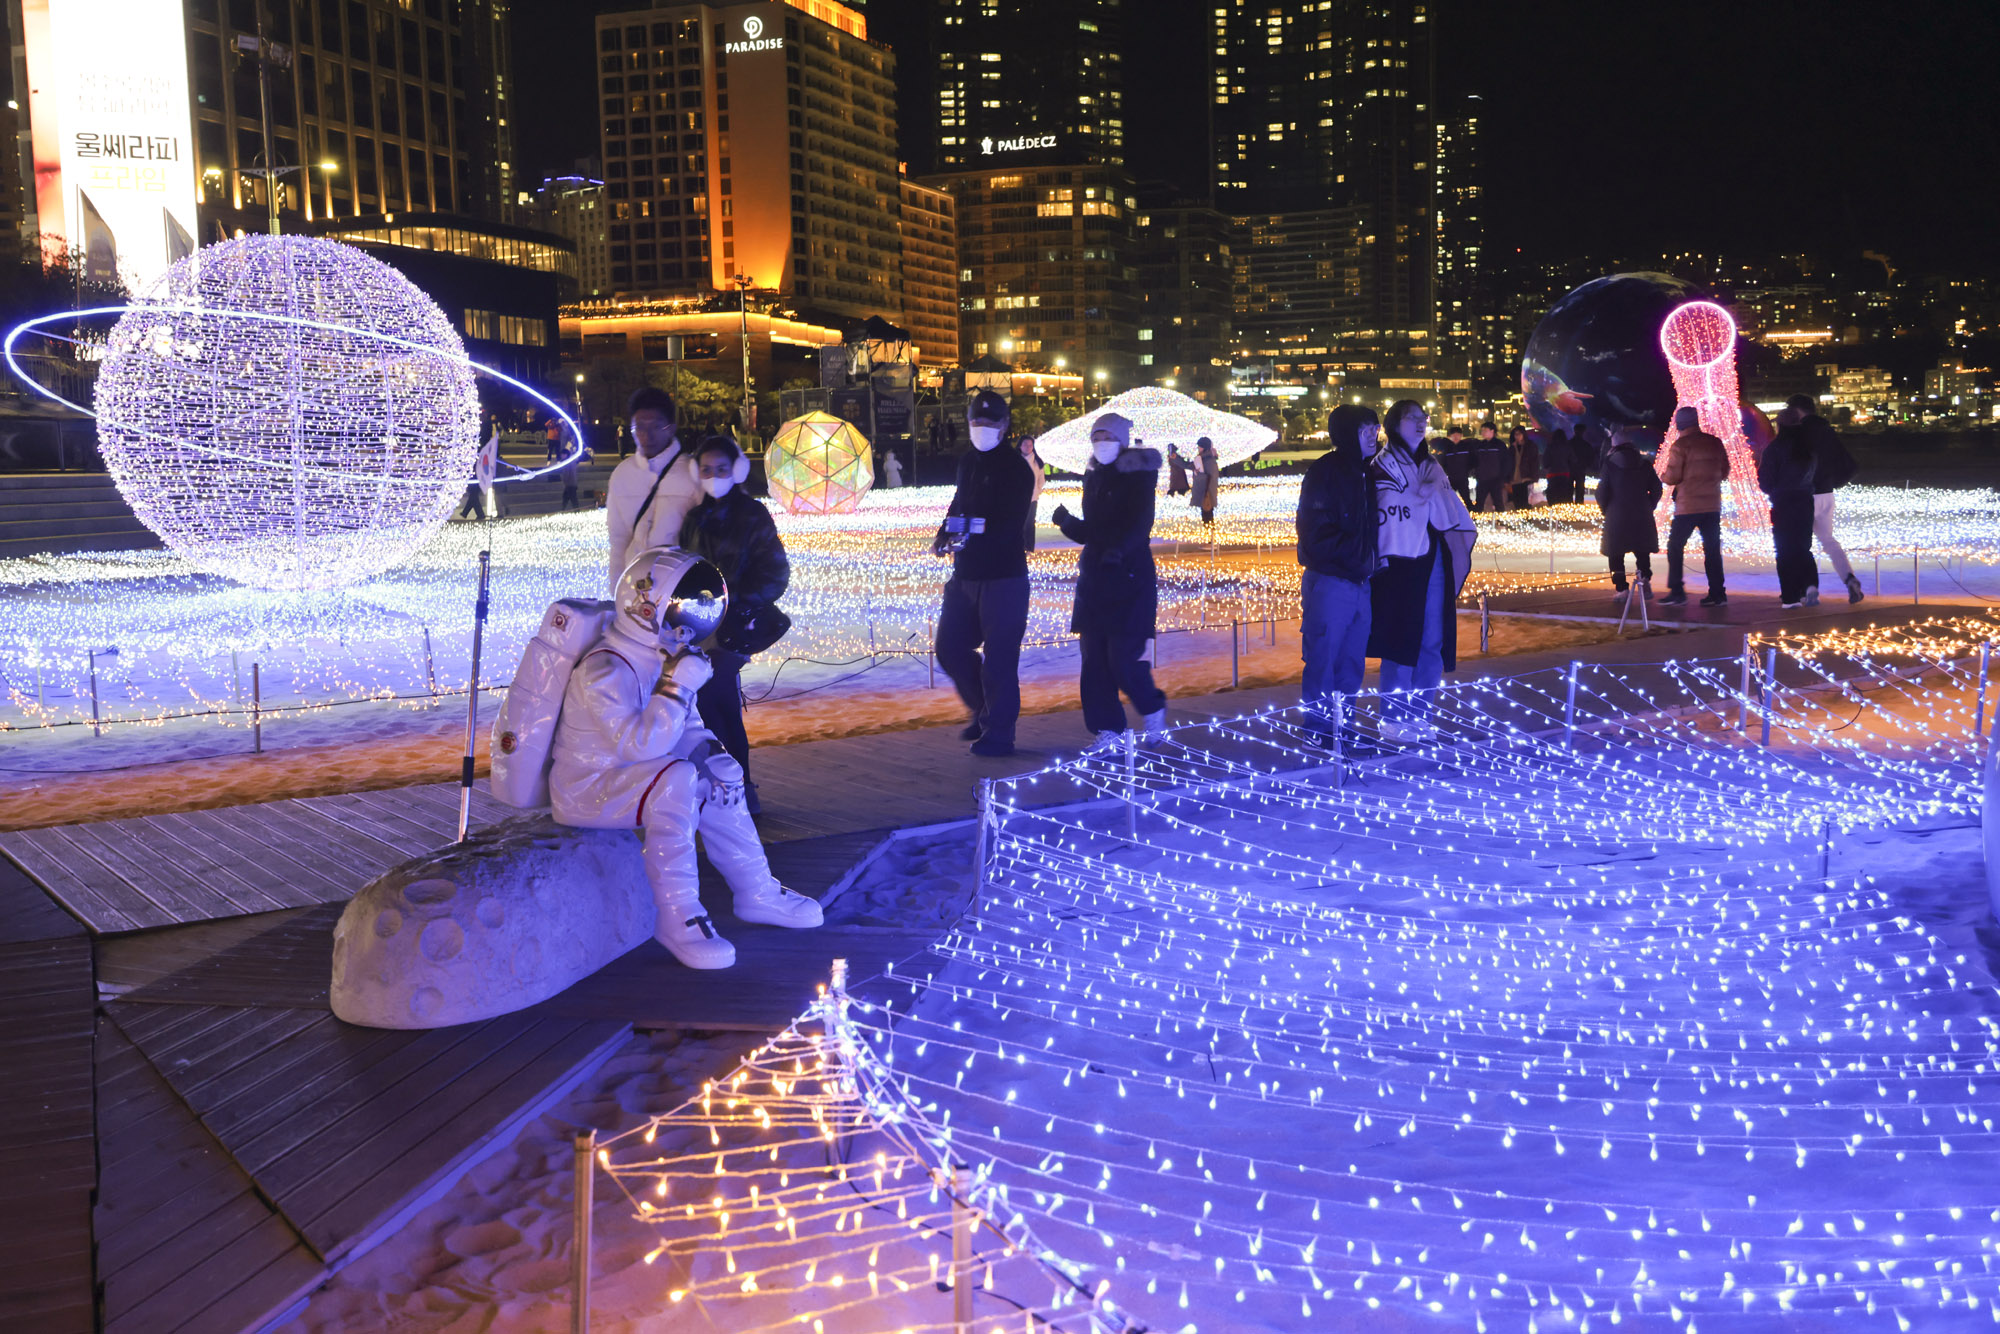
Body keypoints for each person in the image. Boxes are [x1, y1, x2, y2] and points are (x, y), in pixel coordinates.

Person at [548, 545, 823, 971]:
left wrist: (715, 757)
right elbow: (641, 746)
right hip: (589, 786)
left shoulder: (659, 659)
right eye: (681, 611)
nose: (688, 626)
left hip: (631, 775)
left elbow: (688, 726)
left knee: (715, 776)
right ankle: (678, 913)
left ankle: (757, 889)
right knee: (677, 777)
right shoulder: (605, 670)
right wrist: (677, 687)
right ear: (648, 607)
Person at [678, 435, 790, 816]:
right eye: (706, 469)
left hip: (735, 627)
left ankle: (739, 788)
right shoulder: (694, 519)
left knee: (716, 700)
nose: (714, 476)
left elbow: (776, 574)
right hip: (698, 629)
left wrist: (734, 599)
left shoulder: (752, 515)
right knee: (712, 704)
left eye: (721, 469)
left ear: (736, 471)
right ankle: (732, 787)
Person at [1050, 413, 1167, 744]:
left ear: (1122, 440)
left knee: (1121, 659)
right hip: (1095, 579)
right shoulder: (1095, 476)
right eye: (1095, 436)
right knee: (1095, 663)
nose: (1100, 442)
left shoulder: (1139, 476)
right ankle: (1107, 731)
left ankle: (1152, 708)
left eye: (1107, 436)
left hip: (1129, 577)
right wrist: (1067, 522)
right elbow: (1094, 530)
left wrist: (1119, 551)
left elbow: (1140, 523)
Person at [933, 390, 1036, 757]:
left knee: (1000, 658)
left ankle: (1000, 732)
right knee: (949, 648)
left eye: (990, 424)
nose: (983, 429)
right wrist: (945, 533)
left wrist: (971, 538)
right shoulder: (968, 462)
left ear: (1005, 426)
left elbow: (1009, 527)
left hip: (1003, 578)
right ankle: (983, 709)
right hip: (965, 577)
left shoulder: (1015, 469)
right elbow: (959, 502)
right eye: (977, 422)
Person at [1367, 400, 1477, 741]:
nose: (1420, 423)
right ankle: (1392, 719)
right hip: (1398, 565)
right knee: (1401, 640)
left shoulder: (1433, 466)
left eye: (1423, 418)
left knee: (1432, 640)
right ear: (1393, 424)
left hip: (1434, 561)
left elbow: (1449, 511)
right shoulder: (1379, 466)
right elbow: (1382, 515)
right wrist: (1419, 499)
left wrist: (1428, 495)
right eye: (1411, 418)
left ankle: (1420, 715)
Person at [1296, 403, 1379, 722]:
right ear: (1347, 434)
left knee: (1352, 660)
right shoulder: (1325, 471)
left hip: (1360, 581)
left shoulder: (1366, 472)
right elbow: (1314, 531)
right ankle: (1318, 729)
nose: (1373, 435)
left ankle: (1343, 726)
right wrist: (1357, 556)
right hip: (1330, 580)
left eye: (1375, 428)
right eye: (1365, 429)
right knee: (1323, 658)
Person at [604, 387, 702, 598]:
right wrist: (617, 590)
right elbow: (619, 539)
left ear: (671, 428)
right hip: (637, 589)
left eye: (656, 426)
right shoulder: (622, 474)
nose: (647, 435)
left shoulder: (692, 472)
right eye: (639, 427)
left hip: (682, 587)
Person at [1789, 393, 1863, 602]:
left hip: (1805, 495)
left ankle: (1807, 589)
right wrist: (1832, 482)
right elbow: (1851, 465)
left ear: (1796, 410)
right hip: (1826, 493)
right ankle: (1849, 579)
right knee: (1829, 541)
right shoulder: (1827, 431)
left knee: (1800, 544)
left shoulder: (1799, 433)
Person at [1656, 407, 1729, 606]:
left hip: (1688, 506)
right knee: (1712, 549)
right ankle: (1717, 593)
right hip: (1712, 505)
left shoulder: (1681, 446)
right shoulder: (1715, 443)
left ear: (1680, 424)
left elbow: (1673, 477)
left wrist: (1662, 476)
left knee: (1675, 546)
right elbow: (1725, 471)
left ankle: (1677, 591)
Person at [1760, 406, 1821, 607]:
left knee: (1785, 550)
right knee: (1803, 547)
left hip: (1783, 503)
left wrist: (1773, 489)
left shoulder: (1775, 449)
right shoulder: (1809, 448)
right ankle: (1810, 585)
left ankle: (1790, 596)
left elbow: (1766, 482)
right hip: (1805, 502)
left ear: (1780, 425)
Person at [1597, 428, 1663, 597]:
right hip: (1642, 514)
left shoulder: (1610, 463)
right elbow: (1656, 488)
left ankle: (1621, 588)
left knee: (1615, 553)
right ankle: (1645, 581)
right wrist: (1649, 505)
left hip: (1616, 514)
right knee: (1642, 551)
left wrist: (1607, 510)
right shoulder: (1644, 463)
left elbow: (1602, 492)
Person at [1471, 421, 1509, 512]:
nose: (1483, 432)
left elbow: (1506, 461)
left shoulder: (1499, 445)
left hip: (1495, 479)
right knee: (1479, 502)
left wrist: (1503, 477)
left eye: (1485, 430)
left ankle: (1500, 522)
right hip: (1482, 479)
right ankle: (1477, 521)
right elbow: (1475, 460)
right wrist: (1476, 473)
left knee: (1498, 502)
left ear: (1492, 431)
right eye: (1482, 430)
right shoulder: (1480, 445)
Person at [1436, 426, 1473, 508]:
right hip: (1451, 478)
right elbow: (1443, 462)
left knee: (1467, 499)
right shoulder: (1447, 448)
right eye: (1454, 435)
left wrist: (1468, 471)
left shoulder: (1466, 447)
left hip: (1463, 477)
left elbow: (1472, 460)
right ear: (1450, 436)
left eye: (1458, 435)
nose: (1456, 437)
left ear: (1461, 436)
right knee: (1448, 498)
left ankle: (1471, 515)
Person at [1019, 435, 1045, 551]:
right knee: (1019, 522)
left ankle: (1029, 547)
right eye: (1025, 444)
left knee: (1029, 522)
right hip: (1017, 498)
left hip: (1032, 498)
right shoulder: (1015, 461)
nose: (1027, 447)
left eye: (1030, 445)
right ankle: (1019, 546)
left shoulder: (1037, 462)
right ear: (1020, 446)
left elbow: (1041, 479)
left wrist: (1037, 491)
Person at [1508, 426, 1541, 510]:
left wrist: (1534, 478)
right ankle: (1522, 519)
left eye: (1519, 434)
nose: (1517, 436)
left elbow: (1535, 462)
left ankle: (1527, 519)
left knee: (1526, 501)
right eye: (1515, 434)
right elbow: (1508, 463)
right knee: (1517, 502)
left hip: (1526, 477)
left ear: (1523, 434)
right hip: (1515, 479)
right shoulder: (1512, 447)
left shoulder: (1530, 446)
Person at [1189, 436, 1220, 525]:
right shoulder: (1205, 458)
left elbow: (1210, 476)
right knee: (1206, 510)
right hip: (1206, 489)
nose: (1198, 448)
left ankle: (1209, 529)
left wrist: (1199, 475)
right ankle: (1208, 528)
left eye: (1200, 446)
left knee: (1207, 510)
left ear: (1204, 447)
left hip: (1206, 490)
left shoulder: (1207, 460)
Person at [1542, 427, 1574, 505]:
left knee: (1553, 494)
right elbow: (1573, 460)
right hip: (1564, 473)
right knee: (1563, 494)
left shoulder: (1550, 447)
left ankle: (1553, 508)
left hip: (1552, 473)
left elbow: (1545, 462)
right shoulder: (1567, 447)